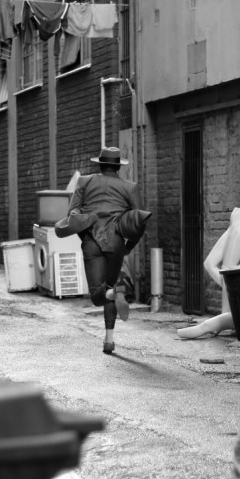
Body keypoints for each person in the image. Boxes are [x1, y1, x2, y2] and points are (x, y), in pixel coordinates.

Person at [67, 146, 150, 355]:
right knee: (110, 284)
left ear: (101, 164)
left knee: (98, 294)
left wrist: (86, 238)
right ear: (118, 167)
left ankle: (116, 293)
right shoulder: (130, 188)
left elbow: (72, 216)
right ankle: (109, 340)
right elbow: (138, 223)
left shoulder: (84, 182)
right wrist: (128, 247)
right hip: (116, 242)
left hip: (91, 241)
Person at [177, 207, 240, 339]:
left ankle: (226, 316)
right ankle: (234, 307)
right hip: (235, 220)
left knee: (227, 271)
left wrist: (223, 318)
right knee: (209, 264)